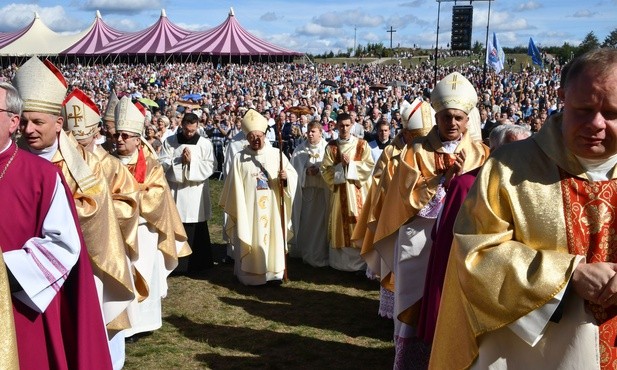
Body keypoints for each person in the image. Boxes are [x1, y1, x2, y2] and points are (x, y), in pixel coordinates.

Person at [430, 48, 617, 370]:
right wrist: (567, 274)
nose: (596, 124)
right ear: (561, 96)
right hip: (535, 352)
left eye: (613, 112)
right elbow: (474, 252)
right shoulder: (510, 167)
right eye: (583, 109)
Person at [372, 72, 489, 368]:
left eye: (459, 118)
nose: (452, 124)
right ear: (436, 116)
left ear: (468, 120)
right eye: (446, 117)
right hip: (419, 240)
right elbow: (404, 197)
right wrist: (444, 181)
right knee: (416, 298)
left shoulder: (481, 153)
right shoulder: (415, 151)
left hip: (458, 242)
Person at [14, 57, 135, 335]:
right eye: (23, 121)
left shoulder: (85, 164)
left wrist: (45, 212)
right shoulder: (12, 160)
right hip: (22, 269)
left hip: (77, 266)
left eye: (36, 122)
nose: (28, 129)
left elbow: (93, 209)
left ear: (58, 123)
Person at [0, 82, 112, 368]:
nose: (31, 128)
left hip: (18, 305)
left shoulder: (42, 176)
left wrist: (5, 274)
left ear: (12, 122)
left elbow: (63, 244)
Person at [416, 124, 531, 348]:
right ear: (493, 150)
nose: (522, 157)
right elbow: (445, 245)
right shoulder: (466, 185)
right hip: (472, 284)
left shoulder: (531, 185)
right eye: (514, 149)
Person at [63, 88, 142, 368]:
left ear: (95, 133)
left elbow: (130, 203)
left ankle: (111, 361)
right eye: (71, 139)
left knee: (102, 305)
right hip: (65, 252)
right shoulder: (58, 164)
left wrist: (101, 214)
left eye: (81, 139)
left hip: (103, 250)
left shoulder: (109, 165)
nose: (76, 145)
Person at [113, 96, 191, 339]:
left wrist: (127, 199)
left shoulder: (150, 164)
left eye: (125, 135)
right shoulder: (106, 162)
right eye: (117, 134)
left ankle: (144, 323)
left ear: (137, 139)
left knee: (143, 272)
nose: (119, 139)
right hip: (115, 231)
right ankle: (121, 320)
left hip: (144, 230)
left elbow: (157, 195)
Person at [353, 98, 435, 319]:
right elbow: (380, 183)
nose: (423, 143)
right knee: (396, 266)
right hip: (397, 219)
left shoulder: (433, 153)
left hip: (426, 223)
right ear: (407, 133)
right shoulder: (392, 152)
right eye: (418, 137)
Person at [219, 108, 298, 285]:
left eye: (259, 136)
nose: (256, 139)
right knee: (250, 235)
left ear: (264, 135)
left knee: (273, 237)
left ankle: (274, 274)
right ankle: (249, 277)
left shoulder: (275, 154)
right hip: (248, 208)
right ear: (246, 138)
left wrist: (285, 180)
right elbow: (232, 186)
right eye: (252, 136)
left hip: (272, 209)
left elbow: (291, 177)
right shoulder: (240, 158)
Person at [161, 112, 216, 274]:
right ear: (182, 126)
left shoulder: (205, 144)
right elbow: (162, 162)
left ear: (197, 126)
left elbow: (211, 165)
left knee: (196, 224)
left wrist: (192, 163)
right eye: (186, 130)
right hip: (176, 191)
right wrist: (179, 162)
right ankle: (177, 264)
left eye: (192, 130)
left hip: (195, 192)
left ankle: (198, 263)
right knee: (176, 223)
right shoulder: (170, 142)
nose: (189, 133)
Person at [320, 112, 375, 272]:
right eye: (341, 126)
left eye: (347, 125)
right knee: (340, 223)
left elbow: (368, 167)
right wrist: (341, 167)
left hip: (357, 191)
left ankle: (361, 264)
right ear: (336, 126)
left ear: (352, 126)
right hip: (340, 193)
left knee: (358, 222)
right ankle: (340, 264)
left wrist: (350, 165)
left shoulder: (362, 145)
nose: (344, 128)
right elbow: (325, 170)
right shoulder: (331, 147)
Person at [290, 121, 330, 267]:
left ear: (320, 132)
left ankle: (319, 253)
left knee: (321, 225)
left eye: (313, 131)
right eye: (309, 131)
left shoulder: (327, 148)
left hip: (322, 193)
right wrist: (305, 172)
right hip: (306, 194)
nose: (310, 134)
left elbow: (330, 169)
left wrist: (320, 171)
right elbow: (292, 172)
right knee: (306, 223)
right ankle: (305, 252)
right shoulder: (300, 150)